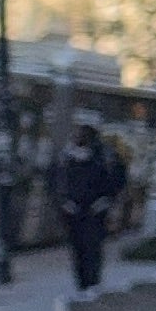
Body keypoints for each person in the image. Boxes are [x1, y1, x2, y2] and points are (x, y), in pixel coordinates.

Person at [51, 116, 122, 290]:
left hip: (95, 210)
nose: (78, 136)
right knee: (78, 248)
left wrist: (105, 201)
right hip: (72, 211)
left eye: (82, 133)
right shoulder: (65, 157)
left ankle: (91, 281)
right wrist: (63, 202)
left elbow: (117, 179)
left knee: (93, 247)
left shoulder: (105, 156)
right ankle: (83, 282)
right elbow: (53, 181)